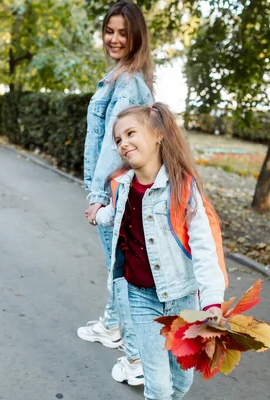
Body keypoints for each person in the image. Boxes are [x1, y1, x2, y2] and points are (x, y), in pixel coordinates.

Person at [93, 102, 228, 400]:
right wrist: (97, 213)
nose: (124, 143)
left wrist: (212, 302)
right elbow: (113, 214)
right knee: (158, 385)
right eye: (118, 139)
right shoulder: (121, 184)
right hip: (140, 299)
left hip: (183, 300)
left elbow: (204, 249)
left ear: (157, 134)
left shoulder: (182, 188)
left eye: (131, 133)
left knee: (181, 382)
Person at [79, 0, 154, 386]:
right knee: (116, 268)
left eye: (124, 32)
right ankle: (111, 326)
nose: (114, 38)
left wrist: (96, 194)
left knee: (120, 274)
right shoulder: (120, 76)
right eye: (110, 30)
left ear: (136, 36)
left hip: (111, 191)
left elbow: (115, 145)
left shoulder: (127, 84)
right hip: (113, 189)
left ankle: (138, 359)